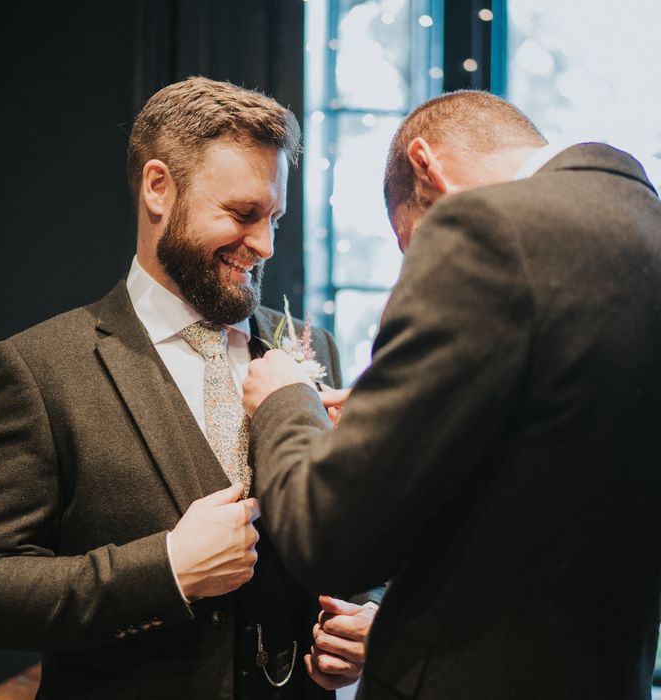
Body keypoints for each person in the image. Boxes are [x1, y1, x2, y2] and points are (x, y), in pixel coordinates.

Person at [0, 77, 379, 699]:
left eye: (275, 217)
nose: (265, 245)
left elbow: (347, 540)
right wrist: (167, 569)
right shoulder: (40, 367)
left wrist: (360, 618)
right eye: (242, 213)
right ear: (158, 187)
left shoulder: (309, 349)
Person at [242, 90, 661, 699]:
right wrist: (405, 411)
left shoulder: (483, 229)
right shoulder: (639, 220)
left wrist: (286, 399)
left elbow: (330, 538)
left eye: (414, 247)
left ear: (426, 167)